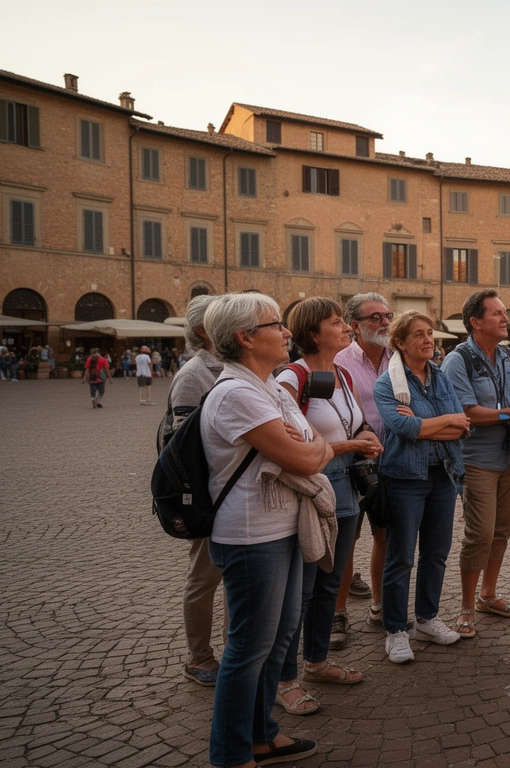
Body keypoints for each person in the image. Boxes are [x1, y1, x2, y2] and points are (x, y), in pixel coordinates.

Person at [202, 293, 334, 768]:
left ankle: (261, 736)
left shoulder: (271, 388)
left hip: (284, 527)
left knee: (279, 639)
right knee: (248, 647)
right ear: (244, 338)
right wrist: (312, 447)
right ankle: (231, 754)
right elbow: (307, 454)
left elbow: (313, 444)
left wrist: (311, 446)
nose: (285, 332)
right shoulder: (235, 393)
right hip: (251, 535)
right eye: (275, 324)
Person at [274, 298, 382, 714]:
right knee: (299, 592)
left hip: (347, 490)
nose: (346, 328)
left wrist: (365, 438)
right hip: (311, 488)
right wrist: (348, 445)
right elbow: (287, 444)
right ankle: (285, 680)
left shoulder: (340, 373)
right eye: (336, 323)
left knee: (328, 584)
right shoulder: (291, 376)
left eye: (343, 321)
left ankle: (316, 662)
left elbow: (351, 422)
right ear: (313, 333)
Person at [440, 290, 510, 637]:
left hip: (509, 456)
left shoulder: (509, 357)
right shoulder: (458, 360)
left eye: (504, 313)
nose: (505, 318)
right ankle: (466, 607)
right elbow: (465, 412)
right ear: (476, 322)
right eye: (497, 313)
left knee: (502, 529)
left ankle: (488, 595)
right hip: (477, 459)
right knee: (479, 533)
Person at [374, 311, 470, 663]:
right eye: (419, 334)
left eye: (430, 333)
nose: (428, 339)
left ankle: (427, 620)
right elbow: (404, 429)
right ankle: (396, 630)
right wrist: (443, 421)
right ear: (400, 342)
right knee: (401, 558)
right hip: (403, 479)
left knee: (436, 552)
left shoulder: (440, 377)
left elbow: (462, 427)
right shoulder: (387, 384)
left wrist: (428, 423)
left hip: (442, 475)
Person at [164, 295, 226, 687]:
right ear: (205, 330)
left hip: (235, 494)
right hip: (208, 495)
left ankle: (236, 650)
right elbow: (183, 445)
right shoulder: (193, 375)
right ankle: (199, 656)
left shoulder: (230, 366)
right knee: (205, 576)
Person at [334, 293, 394, 637]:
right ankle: (338, 613)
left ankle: (379, 604)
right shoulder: (340, 361)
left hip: (393, 462)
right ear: (354, 326)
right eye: (375, 317)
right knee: (347, 539)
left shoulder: (398, 358)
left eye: (387, 315)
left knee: (385, 534)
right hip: (352, 463)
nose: (384, 322)